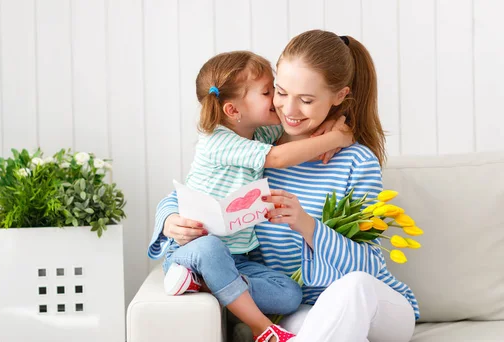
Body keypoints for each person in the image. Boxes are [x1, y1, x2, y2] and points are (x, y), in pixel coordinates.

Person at [151, 30, 419, 342]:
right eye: (280, 92)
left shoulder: (356, 161)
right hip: (303, 307)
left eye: (306, 100)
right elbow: (193, 193)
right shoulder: (257, 153)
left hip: (377, 307)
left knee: (354, 285)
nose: (288, 110)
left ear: (339, 96)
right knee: (297, 326)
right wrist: (171, 221)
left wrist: (306, 225)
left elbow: (369, 264)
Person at [153, 50, 353, 342]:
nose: (276, 100)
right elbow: (280, 157)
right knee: (210, 248)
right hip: (192, 253)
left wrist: (335, 124)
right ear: (234, 111)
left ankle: (207, 284)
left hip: (237, 259)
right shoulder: (218, 140)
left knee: (289, 294)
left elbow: (295, 130)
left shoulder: (258, 134)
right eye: (268, 92)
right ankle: (263, 328)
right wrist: (337, 138)